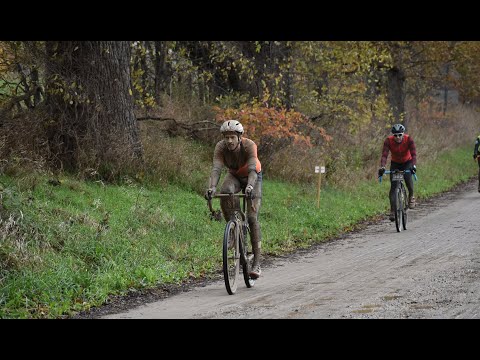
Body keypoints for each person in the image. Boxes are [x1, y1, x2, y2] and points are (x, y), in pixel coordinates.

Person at [205, 120, 263, 279]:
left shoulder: (249, 145)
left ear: (239, 137)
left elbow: (252, 170)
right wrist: (212, 188)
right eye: (226, 137)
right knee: (226, 191)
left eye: (232, 137)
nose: (229, 141)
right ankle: (234, 225)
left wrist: (250, 187)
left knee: (252, 218)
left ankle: (257, 262)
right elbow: (216, 169)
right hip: (235, 175)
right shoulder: (220, 147)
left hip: (253, 177)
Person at [378, 123, 417, 222]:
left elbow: (413, 154)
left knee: (408, 179)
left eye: (400, 135)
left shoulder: (409, 139)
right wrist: (382, 166)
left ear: (403, 134)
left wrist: (413, 165)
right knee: (394, 186)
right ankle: (392, 211)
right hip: (395, 164)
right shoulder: (388, 141)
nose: (398, 137)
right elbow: (384, 155)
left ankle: (411, 196)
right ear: (393, 135)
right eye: (395, 135)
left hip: (407, 162)